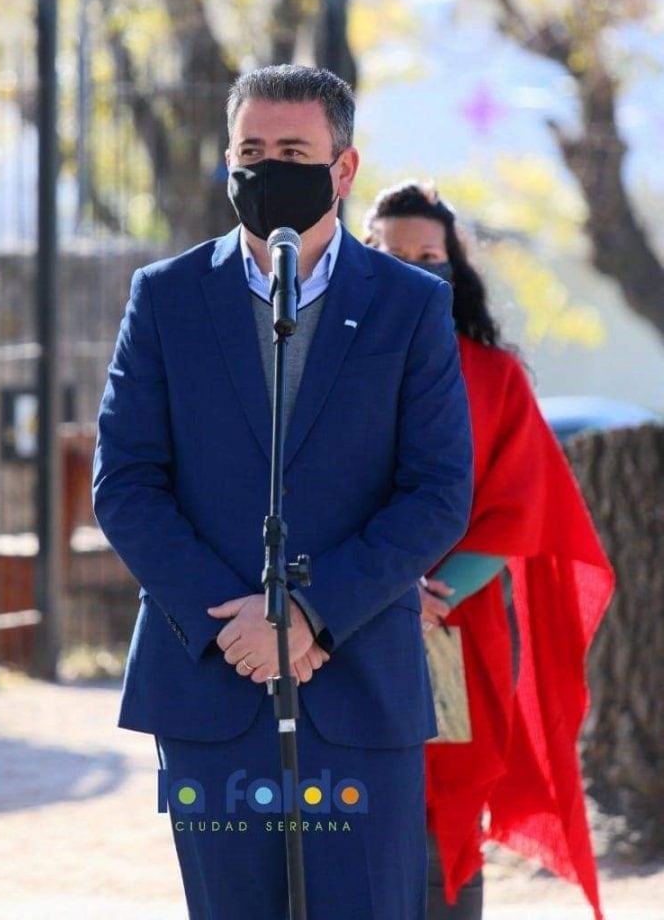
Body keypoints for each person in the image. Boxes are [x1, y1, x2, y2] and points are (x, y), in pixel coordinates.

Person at [92, 66, 473, 920]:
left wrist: (308, 615)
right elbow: (126, 483)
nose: (268, 169)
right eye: (250, 151)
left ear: (342, 169)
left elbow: (439, 490)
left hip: (358, 686)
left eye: (292, 151)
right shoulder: (166, 298)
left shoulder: (410, 308)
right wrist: (236, 625)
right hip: (211, 683)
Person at [364, 180, 615, 920]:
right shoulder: (325, 372)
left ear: (454, 265)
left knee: (446, 800)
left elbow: (522, 506)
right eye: (390, 254)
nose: (412, 266)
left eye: (428, 255)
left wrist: (431, 598)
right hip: (341, 614)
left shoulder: (495, 377)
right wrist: (370, 590)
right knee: (347, 797)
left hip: (451, 626)